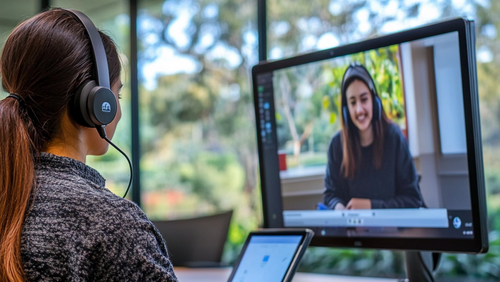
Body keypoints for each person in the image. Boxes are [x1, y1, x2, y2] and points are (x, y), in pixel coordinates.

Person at [0, 9, 178, 281]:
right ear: (96, 103)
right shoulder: (113, 224)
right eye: (117, 95)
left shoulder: (9, 197)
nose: (118, 110)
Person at [323, 62, 424, 210]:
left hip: (394, 231)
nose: (359, 110)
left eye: (364, 99)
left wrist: (371, 206)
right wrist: (338, 207)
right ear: (346, 110)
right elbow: (330, 195)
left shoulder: (394, 137)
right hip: (354, 232)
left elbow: (413, 200)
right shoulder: (337, 145)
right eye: (352, 103)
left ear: (375, 102)